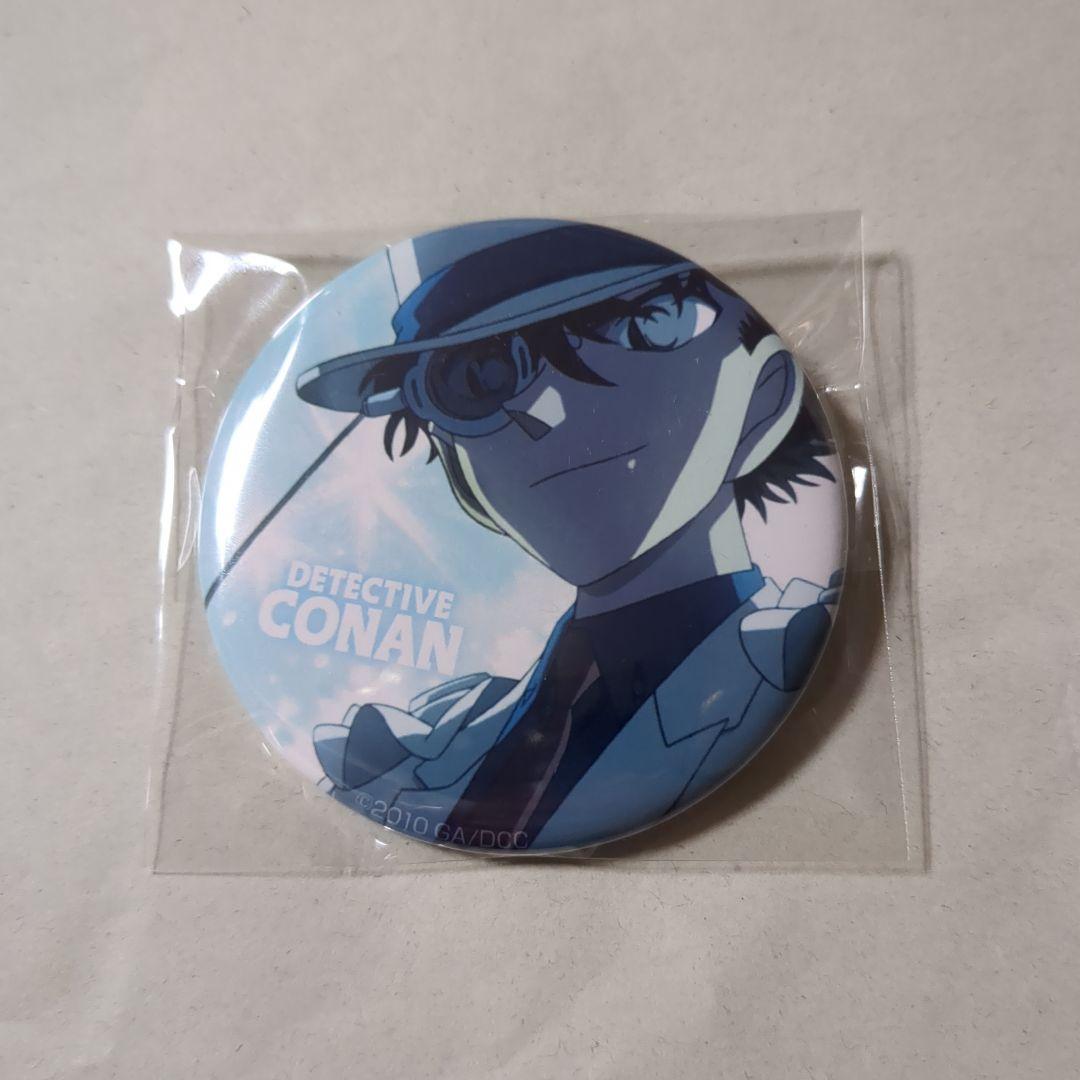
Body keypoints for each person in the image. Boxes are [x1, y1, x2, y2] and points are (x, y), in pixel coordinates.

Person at [295, 220, 841, 851]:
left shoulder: (779, 664)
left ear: (763, 398)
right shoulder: (427, 746)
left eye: (640, 329)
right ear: (453, 465)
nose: (542, 411)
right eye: (474, 378)